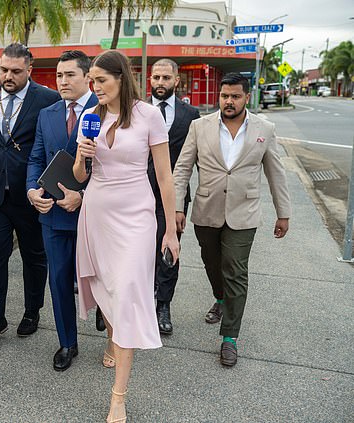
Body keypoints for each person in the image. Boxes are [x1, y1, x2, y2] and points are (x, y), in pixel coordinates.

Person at [73, 50, 180, 422]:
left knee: (130, 292)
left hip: (137, 215)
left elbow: (165, 177)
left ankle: (118, 396)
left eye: (101, 80)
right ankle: (111, 336)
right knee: (108, 288)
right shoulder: (89, 117)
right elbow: (80, 177)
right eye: (92, 81)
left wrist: (170, 230)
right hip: (97, 212)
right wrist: (82, 156)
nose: (95, 86)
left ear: (121, 78)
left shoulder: (149, 115)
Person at [173, 73, 291, 367]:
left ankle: (230, 338)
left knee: (235, 270)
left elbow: (276, 172)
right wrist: (176, 207)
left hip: (244, 213)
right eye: (225, 96)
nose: (229, 101)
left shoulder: (265, 128)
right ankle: (220, 299)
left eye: (235, 96)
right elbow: (183, 168)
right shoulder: (199, 126)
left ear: (246, 97)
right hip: (207, 210)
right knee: (213, 264)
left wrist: (283, 213)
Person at [0, 43, 59, 347]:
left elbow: (52, 149)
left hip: (32, 195)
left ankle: (32, 312)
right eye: (3, 69)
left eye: (16, 71)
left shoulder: (47, 99)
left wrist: (50, 190)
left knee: (34, 257)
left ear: (29, 70)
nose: (8, 75)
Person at [26, 50, 98, 371]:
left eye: (70, 75)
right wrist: (31, 190)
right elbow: (36, 159)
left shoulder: (105, 111)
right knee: (58, 279)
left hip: (95, 214)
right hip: (54, 214)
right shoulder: (48, 113)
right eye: (58, 75)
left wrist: (82, 196)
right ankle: (68, 342)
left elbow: (116, 167)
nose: (63, 81)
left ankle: (108, 321)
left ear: (87, 78)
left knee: (101, 278)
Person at [147, 58, 200, 335]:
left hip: (175, 195)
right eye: (156, 77)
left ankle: (163, 305)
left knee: (169, 249)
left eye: (166, 78)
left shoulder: (191, 114)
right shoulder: (138, 109)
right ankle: (142, 302)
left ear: (176, 81)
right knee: (141, 249)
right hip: (140, 191)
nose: (160, 83)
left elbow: (198, 158)